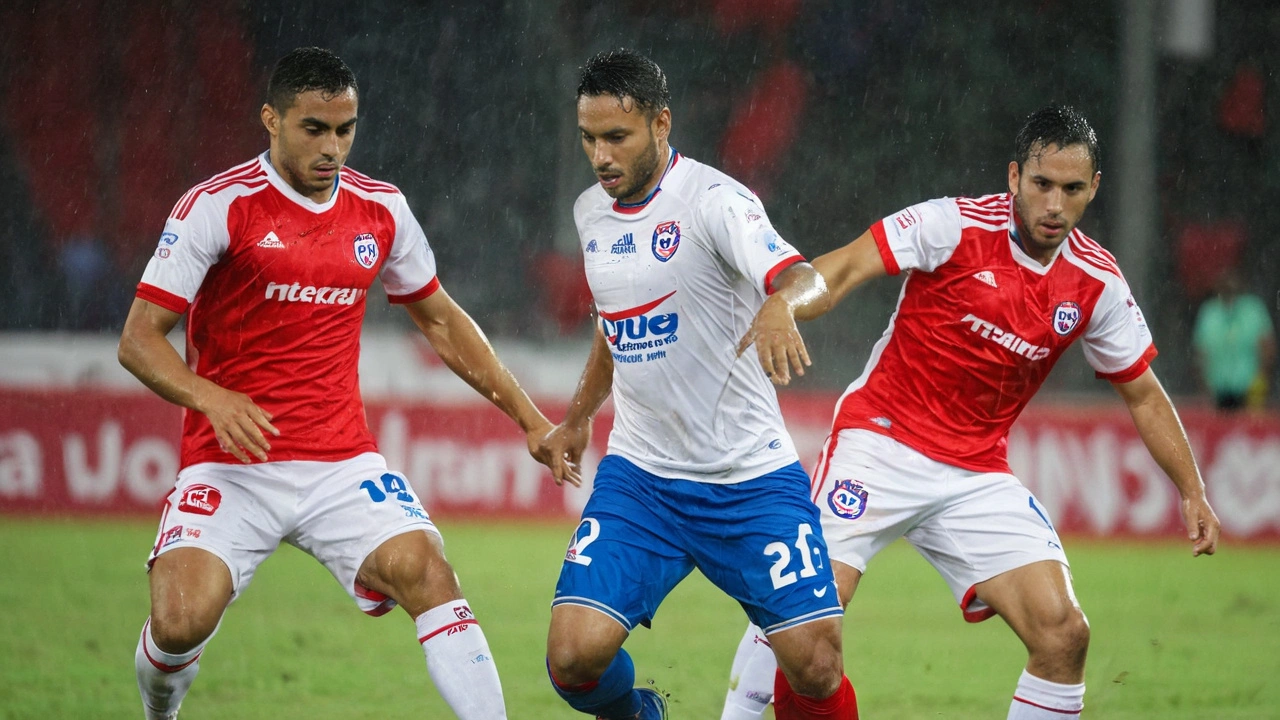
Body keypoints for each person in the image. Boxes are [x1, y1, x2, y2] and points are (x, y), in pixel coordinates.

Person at [721, 105, 1222, 720]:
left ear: (1094, 189)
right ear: (1014, 177)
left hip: (975, 472)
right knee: (806, 632)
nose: (1054, 205)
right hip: (879, 443)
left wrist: (1192, 489)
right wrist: (784, 303)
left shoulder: (1098, 283)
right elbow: (844, 267)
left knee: (1064, 635)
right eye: (1042, 184)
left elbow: (1143, 392)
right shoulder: (950, 225)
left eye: (1071, 189)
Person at [118, 47, 556, 720]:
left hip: (339, 463)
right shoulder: (218, 206)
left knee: (429, 572)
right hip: (230, 462)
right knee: (179, 622)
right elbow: (139, 339)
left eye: (345, 129)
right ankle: (160, 714)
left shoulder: (380, 210)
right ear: (271, 119)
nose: (332, 146)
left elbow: (440, 321)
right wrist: (212, 397)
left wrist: (529, 418)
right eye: (313, 128)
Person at [536, 49, 859, 720]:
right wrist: (576, 419)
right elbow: (613, 328)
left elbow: (808, 278)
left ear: (662, 124)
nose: (600, 155)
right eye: (589, 138)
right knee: (571, 661)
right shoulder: (592, 215)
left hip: (749, 479)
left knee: (817, 664)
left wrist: (778, 304)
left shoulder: (716, 202)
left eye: (616, 137)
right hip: (643, 480)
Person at [1192, 269, 1276, 411]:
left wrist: (1262, 380)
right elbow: (1200, 354)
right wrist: (1205, 390)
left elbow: (1267, 347)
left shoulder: (1253, 309)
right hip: (1218, 390)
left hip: (1250, 389)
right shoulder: (1209, 313)